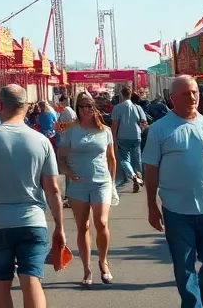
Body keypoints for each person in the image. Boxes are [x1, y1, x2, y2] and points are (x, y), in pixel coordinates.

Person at [0, 84, 66, 308]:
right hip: (33, 221)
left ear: (0, 106)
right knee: (31, 280)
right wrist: (59, 226)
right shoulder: (42, 141)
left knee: (0, 282)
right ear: (26, 107)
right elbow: (52, 189)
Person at [142, 75, 203, 308]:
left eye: (195, 92)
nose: (193, 97)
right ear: (173, 98)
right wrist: (151, 206)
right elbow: (151, 169)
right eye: (186, 93)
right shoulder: (160, 129)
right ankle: (193, 304)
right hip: (176, 211)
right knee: (184, 266)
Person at [59, 90, 118, 288]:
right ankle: (87, 268)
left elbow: (111, 158)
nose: (87, 110)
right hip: (78, 184)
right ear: (77, 109)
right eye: (83, 106)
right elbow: (60, 158)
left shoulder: (104, 130)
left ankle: (103, 261)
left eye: (90, 106)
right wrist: (67, 172)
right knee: (83, 226)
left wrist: (113, 181)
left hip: (101, 181)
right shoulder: (70, 131)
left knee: (101, 222)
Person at [110, 86, 147, 194]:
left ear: (121, 95)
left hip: (122, 136)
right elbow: (144, 122)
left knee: (124, 160)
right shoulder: (138, 108)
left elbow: (114, 125)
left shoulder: (117, 108)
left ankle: (133, 175)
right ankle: (138, 174)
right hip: (136, 136)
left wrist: (113, 138)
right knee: (137, 158)